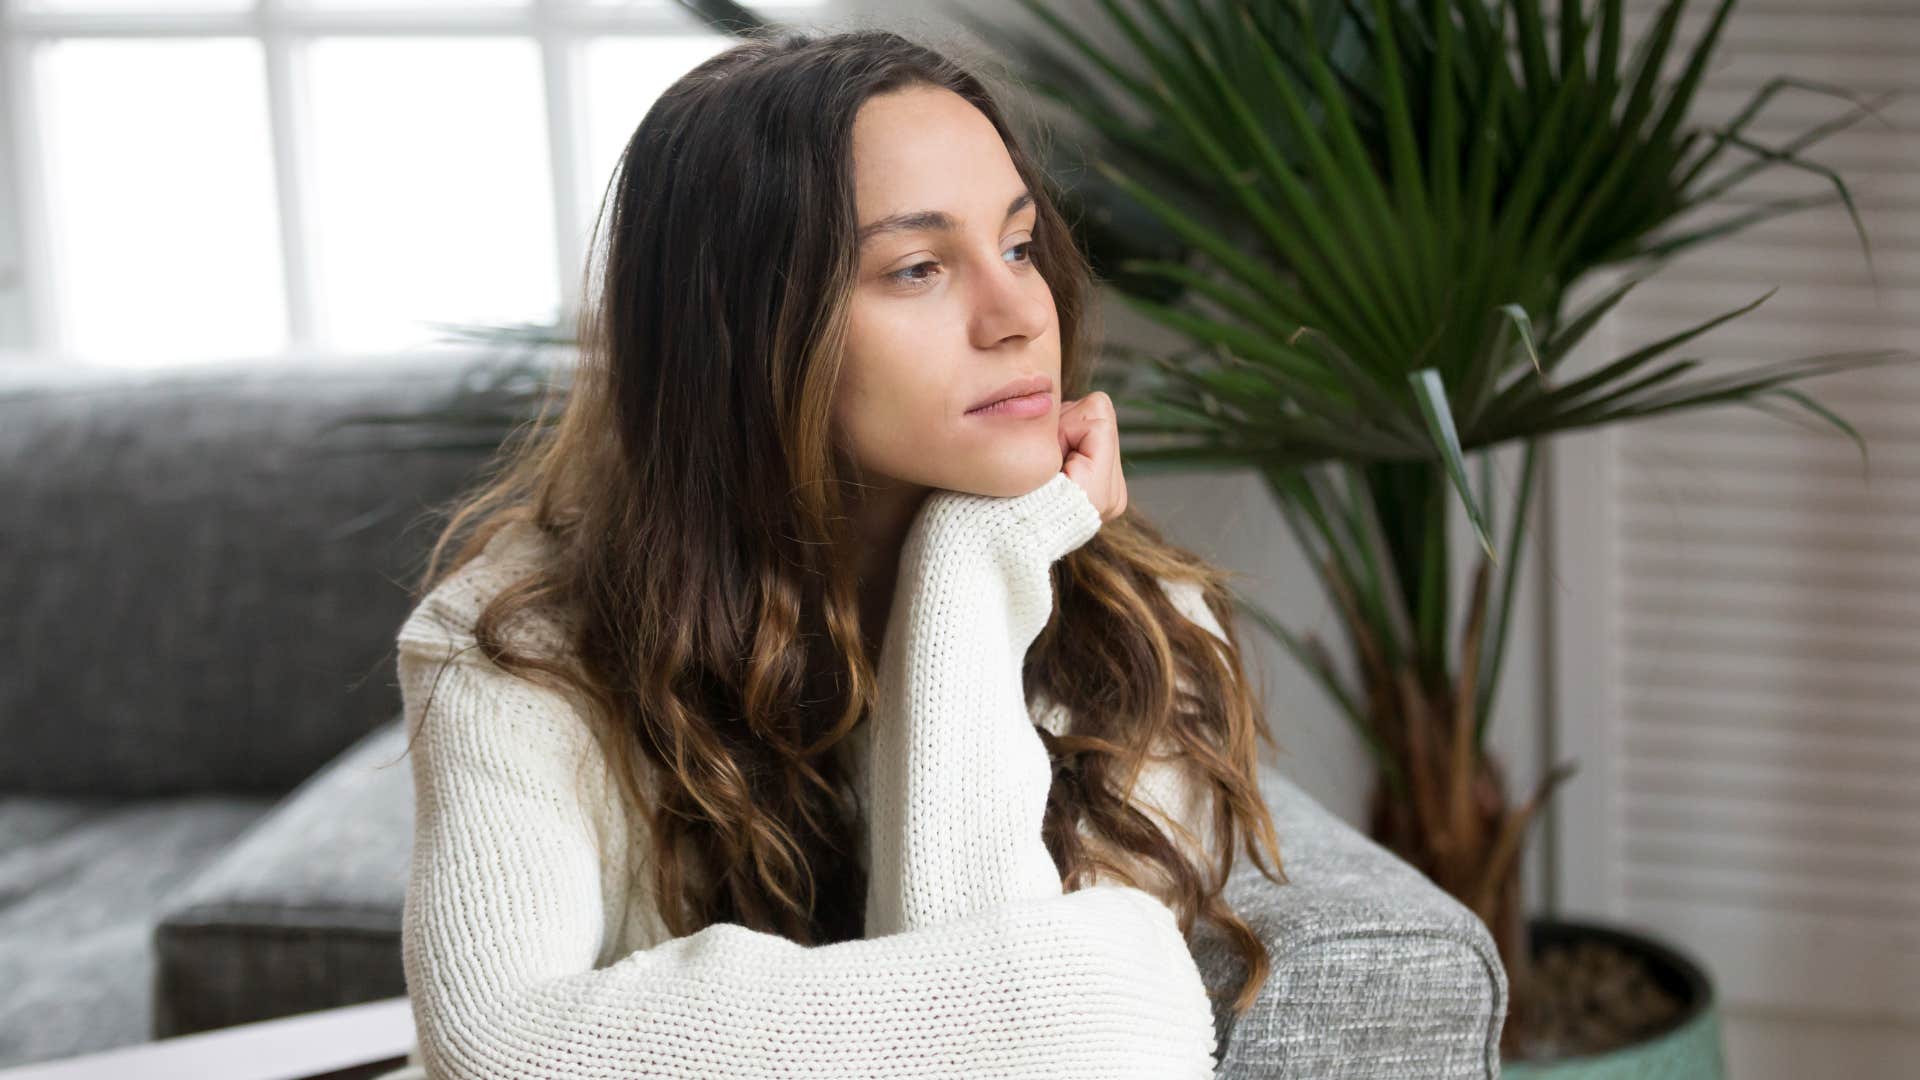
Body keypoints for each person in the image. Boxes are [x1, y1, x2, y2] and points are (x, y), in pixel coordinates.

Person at [375, 25, 1288, 1080]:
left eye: (1022, 244)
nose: (1017, 315)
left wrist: (973, 567)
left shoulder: (1143, 623)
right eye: (916, 268)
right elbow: (492, 1053)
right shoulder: (510, 647)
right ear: (747, 333)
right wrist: (1091, 996)